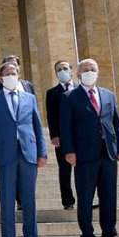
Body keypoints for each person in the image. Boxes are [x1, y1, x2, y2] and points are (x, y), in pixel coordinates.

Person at [60, 58, 119, 237]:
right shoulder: (70, 97)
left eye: (93, 69)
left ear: (97, 72)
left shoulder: (108, 95)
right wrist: (69, 150)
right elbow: (66, 127)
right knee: (86, 197)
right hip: (84, 154)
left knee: (109, 197)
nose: (89, 72)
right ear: (78, 74)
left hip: (108, 153)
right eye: (85, 69)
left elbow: (117, 125)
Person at [0, 63, 47, 237]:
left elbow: (37, 126)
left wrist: (42, 152)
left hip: (28, 152)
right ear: (1, 77)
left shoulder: (30, 98)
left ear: (19, 75)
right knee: (7, 198)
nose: (11, 75)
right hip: (4, 154)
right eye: (7, 74)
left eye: (14, 73)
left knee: (29, 199)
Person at [46, 60, 77, 210]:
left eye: (65, 68)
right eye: (59, 69)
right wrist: (54, 135)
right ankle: (67, 200)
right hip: (62, 137)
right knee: (64, 169)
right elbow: (51, 115)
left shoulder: (81, 89)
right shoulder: (52, 93)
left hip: (81, 136)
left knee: (84, 170)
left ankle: (86, 197)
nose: (62, 71)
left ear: (71, 70)